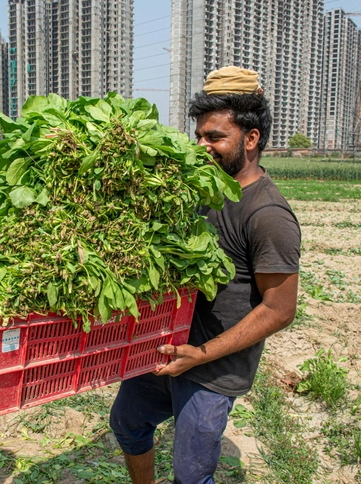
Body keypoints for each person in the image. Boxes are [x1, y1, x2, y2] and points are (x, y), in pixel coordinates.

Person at [109, 66, 302, 484]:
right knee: (127, 423)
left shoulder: (267, 214)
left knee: (191, 472)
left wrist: (201, 354)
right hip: (166, 346)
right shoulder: (200, 187)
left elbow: (280, 309)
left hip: (212, 366)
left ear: (251, 139)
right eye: (198, 136)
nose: (202, 146)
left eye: (214, 137)